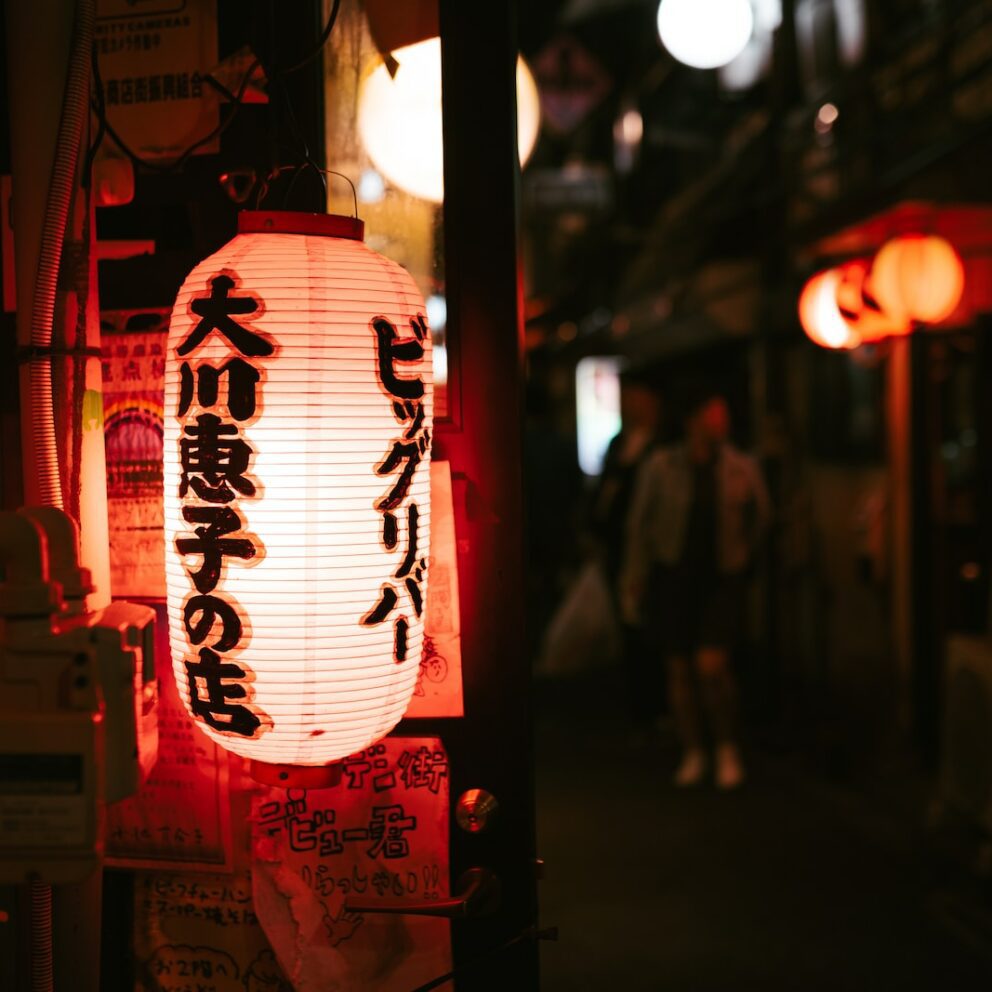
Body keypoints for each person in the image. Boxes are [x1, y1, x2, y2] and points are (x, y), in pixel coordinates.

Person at [622, 393, 769, 789]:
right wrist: (634, 580)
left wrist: (743, 561)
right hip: (673, 576)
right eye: (713, 413)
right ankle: (694, 750)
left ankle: (725, 746)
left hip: (720, 578)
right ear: (693, 419)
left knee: (712, 666)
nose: (721, 420)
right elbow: (640, 525)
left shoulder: (740, 467)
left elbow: (760, 521)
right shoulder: (662, 465)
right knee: (680, 669)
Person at [589, 373, 663, 734]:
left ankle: (654, 707)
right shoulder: (619, 442)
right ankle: (638, 705)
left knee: (650, 623)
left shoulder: (663, 448)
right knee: (626, 622)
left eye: (636, 397)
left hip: (649, 548)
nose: (631, 404)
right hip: (616, 544)